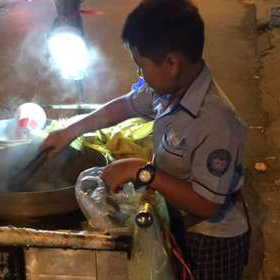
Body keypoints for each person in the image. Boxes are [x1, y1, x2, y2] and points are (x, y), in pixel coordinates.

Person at [41, 0, 250, 279]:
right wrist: (70, 131)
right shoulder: (167, 90)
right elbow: (126, 106)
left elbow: (207, 204)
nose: (139, 75)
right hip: (177, 220)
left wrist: (143, 171)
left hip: (210, 239)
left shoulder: (216, 120)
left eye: (141, 66)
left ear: (172, 63)